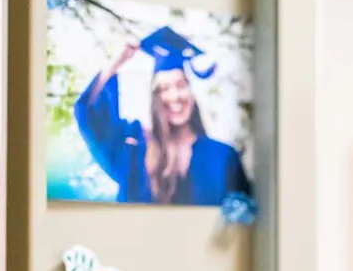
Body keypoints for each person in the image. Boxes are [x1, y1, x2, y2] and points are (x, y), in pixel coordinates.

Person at [74, 27, 252, 207]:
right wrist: (115, 63)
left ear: (192, 92)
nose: (175, 96)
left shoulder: (222, 157)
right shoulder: (134, 151)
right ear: (153, 98)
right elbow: (90, 116)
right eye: (164, 89)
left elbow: (244, 218)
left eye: (181, 85)